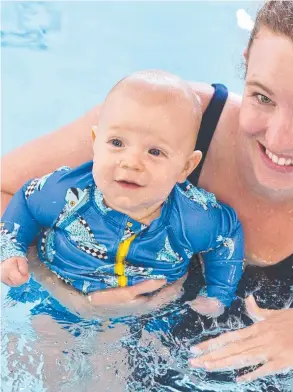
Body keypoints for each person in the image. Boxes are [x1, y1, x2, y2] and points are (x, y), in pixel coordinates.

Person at [2, 0, 293, 388]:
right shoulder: (168, 121)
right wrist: (62, 288)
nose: (279, 138)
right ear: (246, 64)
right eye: (263, 98)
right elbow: (8, 192)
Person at [1, 70, 244, 317]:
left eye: (155, 152)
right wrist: (10, 249)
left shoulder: (193, 218)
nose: (131, 162)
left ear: (185, 167)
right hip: (59, 297)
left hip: (148, 314)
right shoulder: (67, 195)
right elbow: (25, 201)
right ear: (96, 142)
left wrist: (217, 295)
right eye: (117, 143)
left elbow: (227, 236)